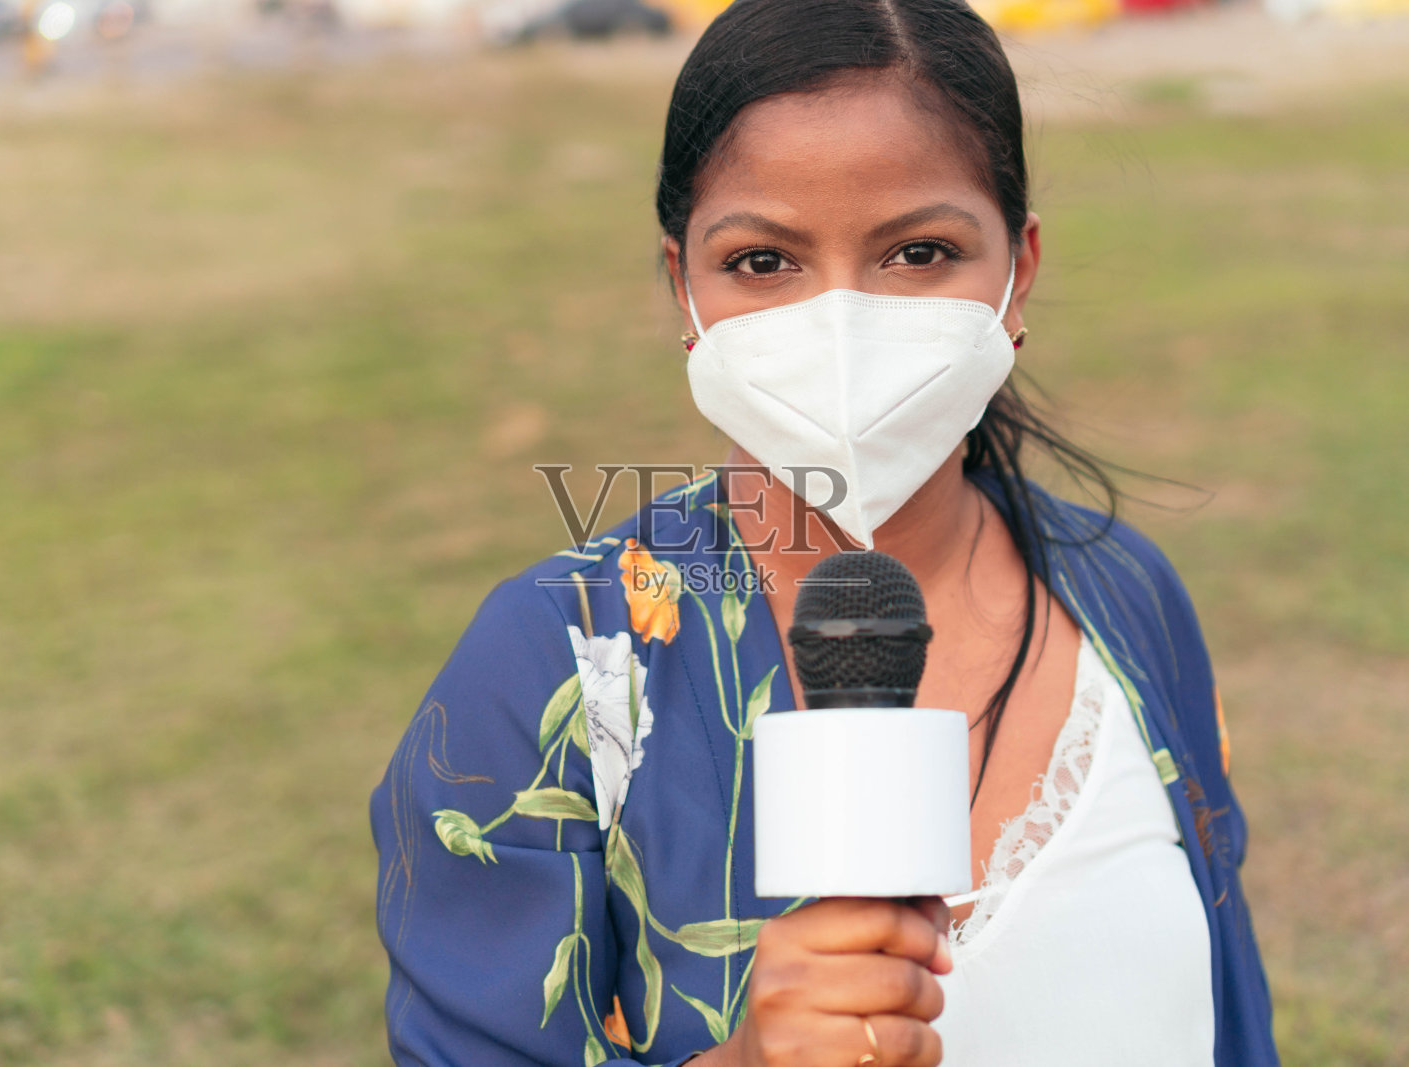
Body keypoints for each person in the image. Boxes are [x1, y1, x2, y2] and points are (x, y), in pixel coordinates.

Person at [369, 0, 1278, 1063]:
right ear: (684, 286)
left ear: (1018, 269)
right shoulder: (552, 665)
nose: (840, 323)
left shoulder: (1123, 592)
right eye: (764, 262)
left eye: (918, 252)